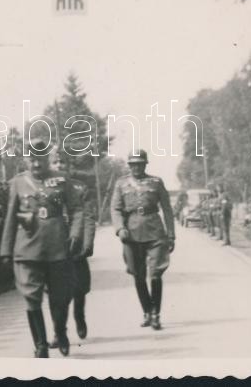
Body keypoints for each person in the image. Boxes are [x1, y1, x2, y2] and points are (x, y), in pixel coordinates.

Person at [0, 138, 84, 358]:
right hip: (28, 248)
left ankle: (60, 332)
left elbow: (76, 210)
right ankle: (40, 345)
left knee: (60, 297)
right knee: (31, 297)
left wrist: (75, 233)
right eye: (32, 160)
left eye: (40, 159)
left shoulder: (62, 179)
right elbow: (11, 216)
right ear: (26, 160)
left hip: (57, 247)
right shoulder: (18, 182)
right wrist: (6, 250)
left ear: (47, 158)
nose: (36, 164)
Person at [110, 149, 176, 332]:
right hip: (131, 233)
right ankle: (147, 311)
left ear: (145, 164)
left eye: (139, 164)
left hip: (155, 231)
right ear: (129, 165)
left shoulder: (156, 182)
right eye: (133, 164)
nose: (136, 168)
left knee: (156, 273)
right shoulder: (121, 183)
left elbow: (167, 209)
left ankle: (156, 314)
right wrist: (120, 228)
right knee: (137, 274)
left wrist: (171, 234)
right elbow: (115, 209)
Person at [48, 148, 96, 347]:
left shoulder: (79, 187)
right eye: (56, 162)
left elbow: (88, 217)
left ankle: (79, 315)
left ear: (69, 166)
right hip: (53, 245)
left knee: (79, 288)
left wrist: (88, 243)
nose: (59, 166)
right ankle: (59, 333)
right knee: (55, 292)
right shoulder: (44, 186)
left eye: (63, 163)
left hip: (75, 245)